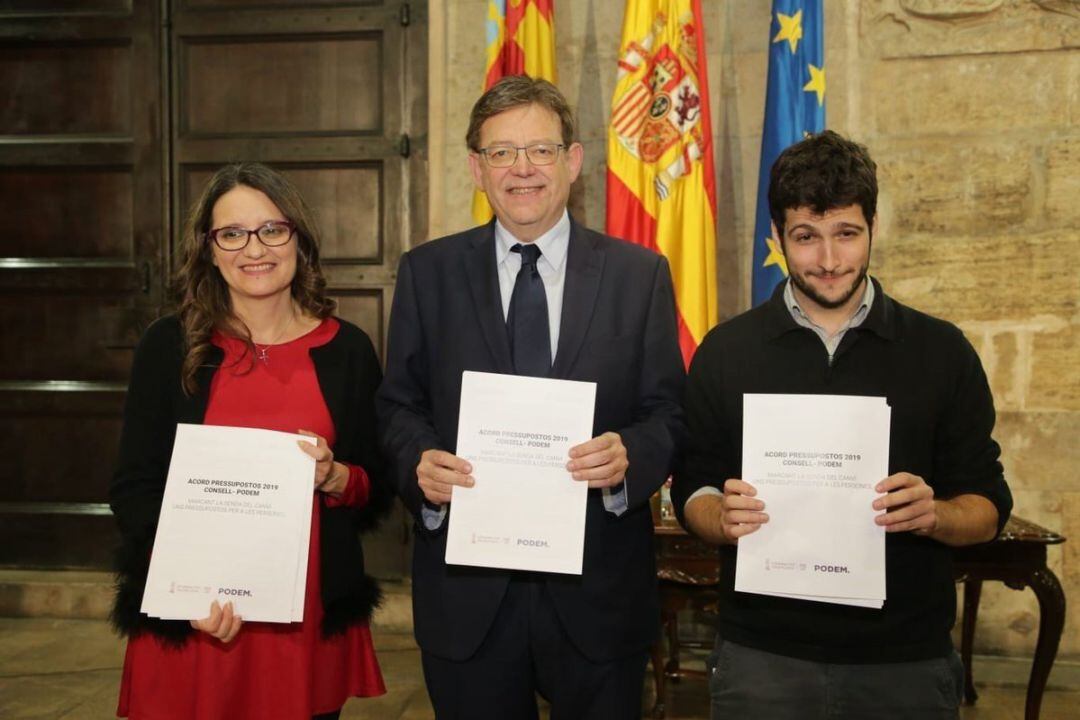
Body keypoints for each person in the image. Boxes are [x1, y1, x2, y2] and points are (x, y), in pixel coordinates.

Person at [670, 130, 1013, 720]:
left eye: (846, 234)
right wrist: (718, 518)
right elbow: (692, 487)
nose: (828, 261)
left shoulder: (941, 351)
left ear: (873, 227)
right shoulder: (726, 351)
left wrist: (937, 514)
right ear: (777, 238)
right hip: (761, 660)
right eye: (806, 237)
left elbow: (987, 505)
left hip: (903, 663)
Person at [376, 76, 686, 720]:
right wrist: (419, 463)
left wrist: (629, 455)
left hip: (597, 594)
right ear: (476, 168)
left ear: (573, 161)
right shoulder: (427, 273)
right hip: (468, 596)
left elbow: (669, 412)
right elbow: (397, 404)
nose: (522, 169)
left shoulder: (640, 276)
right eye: (501, 153)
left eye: (540, 151)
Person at [109, 162, 389, 719]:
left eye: (271, 229)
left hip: (304, 621)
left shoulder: (348, 350)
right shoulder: (168, 346)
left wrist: (338, 478)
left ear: (298, 239)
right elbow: (135, 488)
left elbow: (377, 483)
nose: (253, 248)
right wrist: (185, 591)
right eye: (231, 234)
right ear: (209, 249)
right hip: (198, 619)